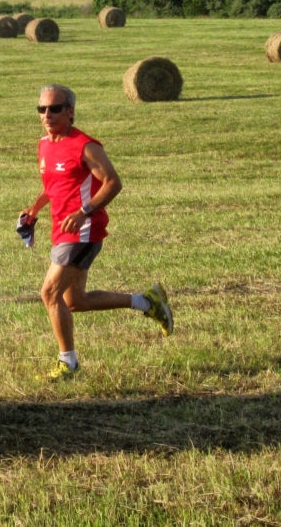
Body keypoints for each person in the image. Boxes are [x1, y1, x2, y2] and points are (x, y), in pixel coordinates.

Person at [18, 83, 173, 382]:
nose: (47, 114)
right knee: (74, 301)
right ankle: (148, 302)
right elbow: (54, 186)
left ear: (70, 111)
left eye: (55, 108)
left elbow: (113, 182)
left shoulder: (85, 146)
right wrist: (34, 209)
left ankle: (68, 364)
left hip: (84, 229)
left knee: (49, 293)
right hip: (63, 228)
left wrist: (83, 212)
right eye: (42, 109)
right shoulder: (45, 144)